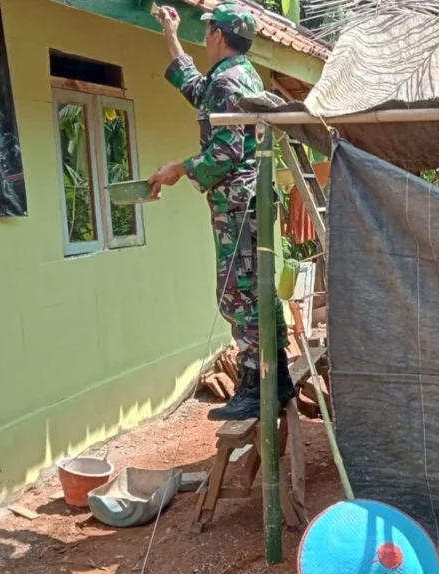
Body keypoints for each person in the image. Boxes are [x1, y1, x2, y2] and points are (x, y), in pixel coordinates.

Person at [148, 2, 295, 420]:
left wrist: (180, 169)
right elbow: (194, 86)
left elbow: (227, 151)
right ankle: (278, 377)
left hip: (238, 205)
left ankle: (254, 389)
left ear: (217, 36)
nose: (205, 35)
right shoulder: (236, 75)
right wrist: (170, 34)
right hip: (246, 203)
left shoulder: (228, 82)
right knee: (255, 291)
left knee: (239, 295)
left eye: (207, 29)